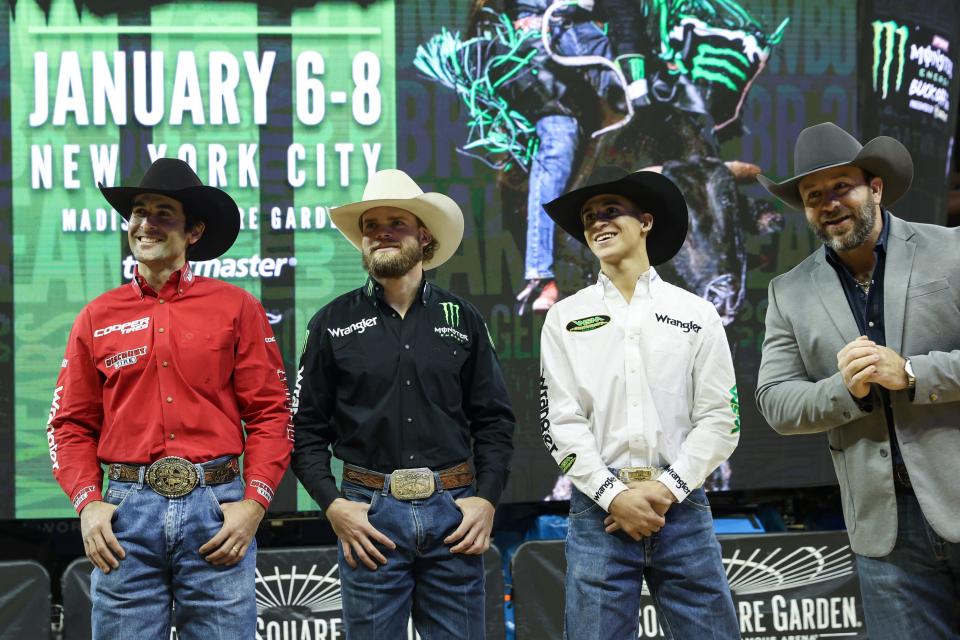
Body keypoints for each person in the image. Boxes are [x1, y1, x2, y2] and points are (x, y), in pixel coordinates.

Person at [46, 158, 294, 639]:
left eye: (163, 212)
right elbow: (69, 425)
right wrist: (89, 504)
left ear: (194, 231)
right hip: (123, 517)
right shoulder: (96, 317)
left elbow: (270, 415)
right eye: (139, 211)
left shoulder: (237, 307)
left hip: (217, 511)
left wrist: (254, 504)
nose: (145, 224)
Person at [755, 122, 960, 639]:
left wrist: (913, 373)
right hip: (883, 531)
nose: (828, 203)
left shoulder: (951, 251)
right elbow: (775, 402)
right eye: (813, 196)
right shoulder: (788, 292)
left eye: (841, 186)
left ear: (876, 187)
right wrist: (843, 389)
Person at [291, 169, 516, 637]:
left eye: (396, 221)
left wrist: (487, 501)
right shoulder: (330, 324)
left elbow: (494, 420)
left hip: (455, 514)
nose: (381, 233)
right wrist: (333, 506)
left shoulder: (464, 318)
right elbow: (305, 431)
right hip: (368, 518)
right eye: (371, 226)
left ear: (424, 236)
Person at [539, 165, 740, 638]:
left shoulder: (697, 314)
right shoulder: (565, 318)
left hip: (682, 509)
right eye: (588, 216)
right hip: (598, 512)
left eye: (611, 210)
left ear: (646, 222)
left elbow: (721, 421)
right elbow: (559, 424)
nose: (597, 222)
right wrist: (614, 496)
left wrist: (666, 489)